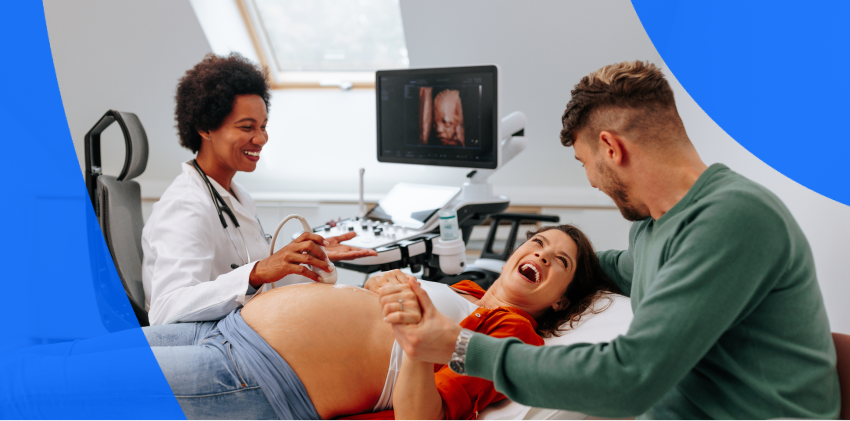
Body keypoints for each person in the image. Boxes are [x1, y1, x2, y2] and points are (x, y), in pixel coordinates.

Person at [382, 61, 841, 420]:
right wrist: (542, 263)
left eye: (585, 163)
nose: (592, 182)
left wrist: (459, 345)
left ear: (611, 148)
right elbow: (604, 264)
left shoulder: (733, 219)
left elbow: (629, 378)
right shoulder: (653, 229)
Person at [0, 225, 619, 421]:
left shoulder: (511, 336)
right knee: (60, 360)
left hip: (256, 377)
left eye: (558, 261)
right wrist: (379, 283)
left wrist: (413, 338)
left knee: (47, 390)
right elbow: (377, 300)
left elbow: (422, 415)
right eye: (536, 242)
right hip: (225, 328)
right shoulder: (465, 292)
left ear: (564, 299)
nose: (537, 253)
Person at [142, 53, 376, 326]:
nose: (261, 138)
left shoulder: (237, 195)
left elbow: (261, 273)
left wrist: (305, 257)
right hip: (211, 342)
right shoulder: (185, 206)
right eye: (246, 127)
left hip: (244, 327)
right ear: (205, 128)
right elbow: (166, 310)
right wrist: (256, 271)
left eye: (263, 126)